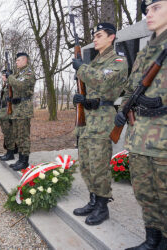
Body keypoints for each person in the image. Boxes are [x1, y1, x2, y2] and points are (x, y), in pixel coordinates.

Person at [115, 1, 167, 249]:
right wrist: (124, 109)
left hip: (163, 140)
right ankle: (152, 239)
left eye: (156, 7)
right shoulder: (147, 50)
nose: (149, 13)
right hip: (139, 139)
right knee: (145, 193)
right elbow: (132, 87)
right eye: (147, 9)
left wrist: (160, 102)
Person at [71, 23, 128, 226]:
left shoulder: (118, 60)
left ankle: (103, 207)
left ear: (111, 37)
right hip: (87, 121)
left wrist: (81, 68)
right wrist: (80, 98)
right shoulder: (94, 61)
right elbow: (87, 86)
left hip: (102, 119)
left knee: (99, 166)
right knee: (86, 165)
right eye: (94, 35)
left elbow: (104, 81)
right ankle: (93, 200)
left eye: (99, 35)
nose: (94, 39)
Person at [2, 52, 36, 171]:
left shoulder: (29, 73)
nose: (17, 62)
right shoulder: (17, 74)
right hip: (16, 109)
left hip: (24, 109)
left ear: (25, 60)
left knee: (23, 136)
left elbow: (21, 86)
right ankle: (20, 159)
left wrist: (10, 77)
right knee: (17, 135)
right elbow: (11, 88)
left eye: (19, 60)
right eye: (16, 60)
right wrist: (7, 80)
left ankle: (24, 161)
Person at [0, 81, 16, 161]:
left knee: (9, 133)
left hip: (8, 111)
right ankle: (9, 152)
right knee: (6, 133)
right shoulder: (5, 86)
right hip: (3, 111)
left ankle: (11, 153)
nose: (2, 77)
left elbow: (12, 99)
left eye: (4, 75)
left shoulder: (11, 85)